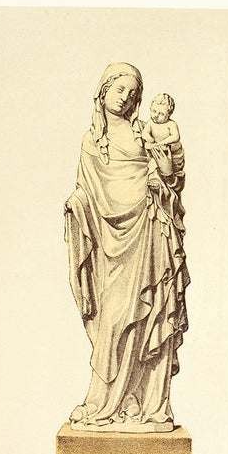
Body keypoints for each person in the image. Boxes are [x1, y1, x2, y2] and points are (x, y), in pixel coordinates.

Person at [64, 62, 189, 432]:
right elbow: (89, 191)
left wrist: (166, 173)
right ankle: (104, 400)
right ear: (103, 91)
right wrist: (77, 205)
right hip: (111, 242)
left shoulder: (144, 134)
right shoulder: (91, 142)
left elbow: (170, 179)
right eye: (120, 89)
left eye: (133, 93)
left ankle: (144, 401)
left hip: (149, 232)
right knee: (114, 319)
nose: (126, 98)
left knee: (148, 316)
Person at [142, 93, 182, 193]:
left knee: (162, 163)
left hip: (166, 151)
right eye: (154, 111)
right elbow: (145, 133)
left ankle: (160, 183)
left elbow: (175, 136)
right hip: (154, 148)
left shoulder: (171, 124)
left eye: (161, 114)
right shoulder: (150, 122)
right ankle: (153, 179)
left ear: (169, 114)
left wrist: (163, 142)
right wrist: (150, 139)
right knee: (152, 162)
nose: (156, 116)